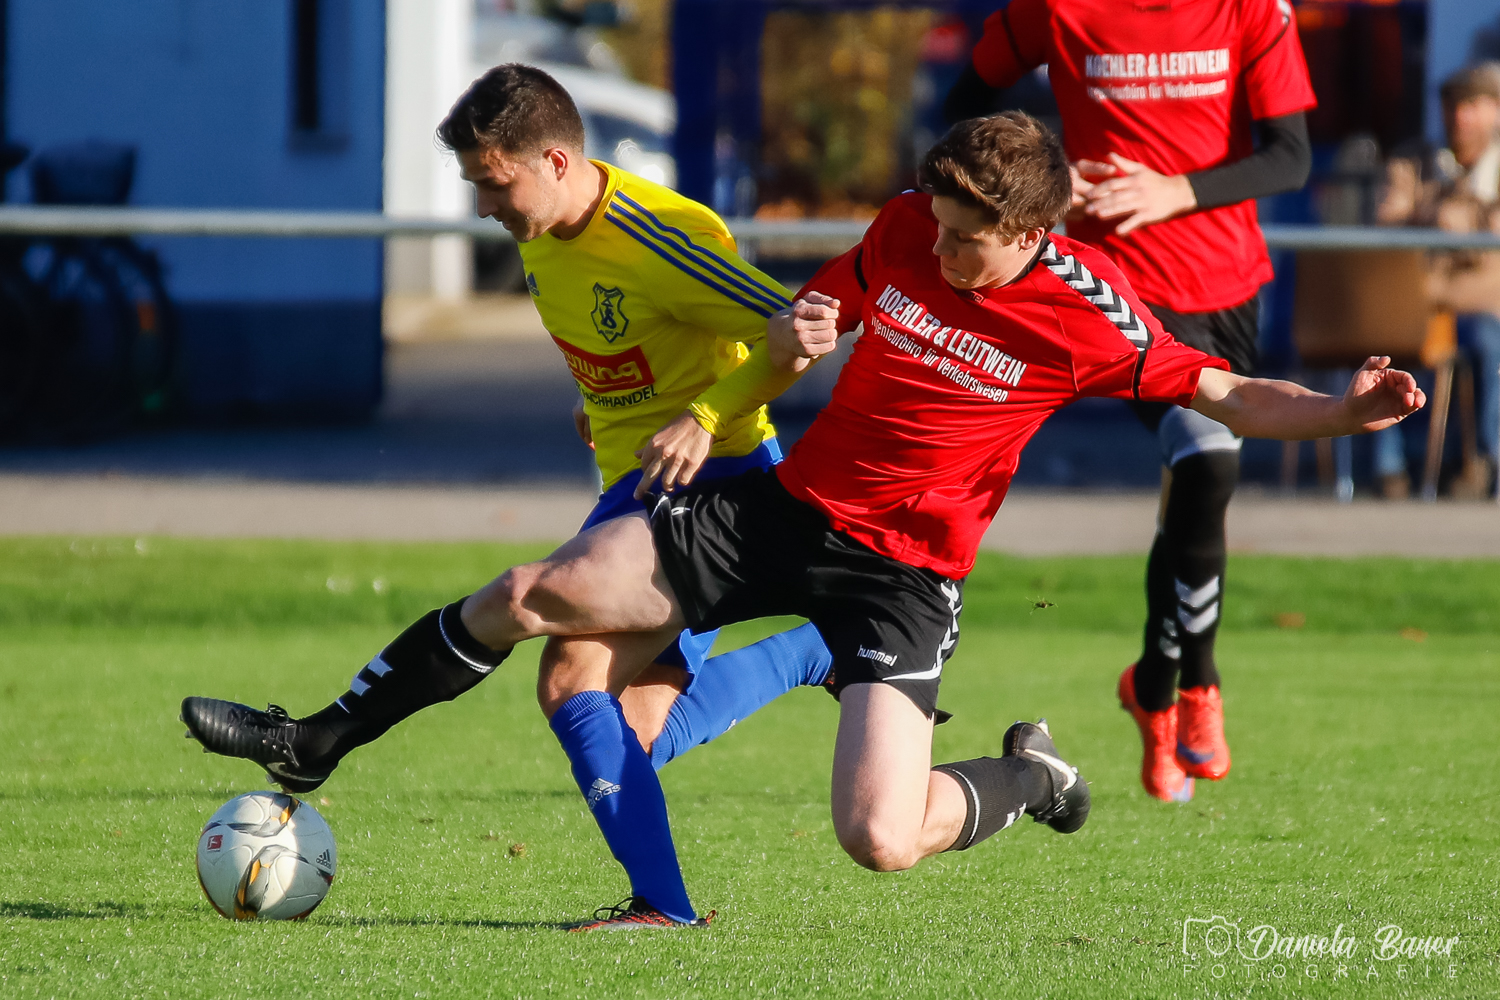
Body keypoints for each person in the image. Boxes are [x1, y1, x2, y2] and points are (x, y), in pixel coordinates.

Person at [185, 113, 1423, 930]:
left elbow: (1223, 389)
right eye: (931, 224)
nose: (936, 247)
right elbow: (800, 326)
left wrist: (1347, 409)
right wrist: (764, 365)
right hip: (782, 510)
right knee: (534, 593)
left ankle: (1032, 772)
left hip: (901, 580)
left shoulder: (1090, 315)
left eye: (966, 239)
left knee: (881, 838)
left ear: (1032, 235)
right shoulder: (905, 230)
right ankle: (321, 740)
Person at [182, 65, 836, 800]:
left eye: (495, 184)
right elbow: (626, 335)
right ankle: (815, 652)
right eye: (475, 187)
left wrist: (702, 416)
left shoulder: (663, 235)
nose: (484, 206)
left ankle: (318, 739)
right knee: (630, 738)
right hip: (633, 483)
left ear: (555, 162)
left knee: (524, 611)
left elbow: (802, 330)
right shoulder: (543, 224)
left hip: (711, 484)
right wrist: (602, 396)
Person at [946, 0, 1317, 802]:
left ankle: (1152, 688)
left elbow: (1290, 158)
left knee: (1196, 486)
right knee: (1207, 454)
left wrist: (1175, 190)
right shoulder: (1059, 9)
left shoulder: (1251, 10)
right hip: (1121, 289)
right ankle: (1198, 685)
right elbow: (961, 107)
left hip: (1227, 287)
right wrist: (1052, 175)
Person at [1376, 62, 1500, 500]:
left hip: (1484, 310)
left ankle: (1485, 461)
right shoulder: (1414, 162)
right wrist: (1431, 218)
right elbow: (1385, 222)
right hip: (1422, 307)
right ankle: (1391, 468)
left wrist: (1463, 222)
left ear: (1495, 112)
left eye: (1472, 105)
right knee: (1386, 348)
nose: (1459, 117)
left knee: (1487, 342)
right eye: (1451, 105)